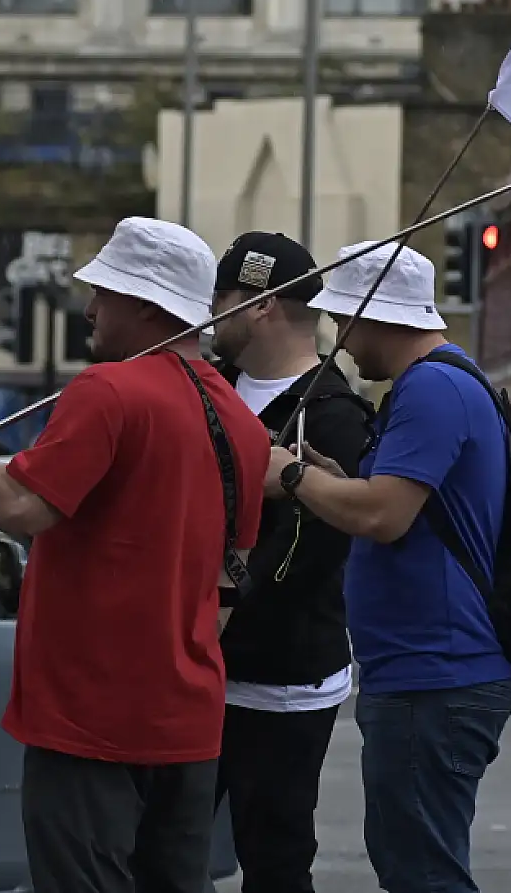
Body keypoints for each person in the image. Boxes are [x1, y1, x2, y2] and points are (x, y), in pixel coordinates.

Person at [0, 216, 271, 893]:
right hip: (188, 718)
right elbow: (230, 573)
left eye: (103, 292)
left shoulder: (107, 390)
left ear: (145, 304)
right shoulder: (242, 422)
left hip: (91, 719)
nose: (89, 309)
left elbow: (21, 505)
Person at [261, 242, 511, 893]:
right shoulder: (437, 383)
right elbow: (395, 504)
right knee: (413, 862)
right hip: (423, 671)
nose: (340, 341)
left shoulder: (431, 388)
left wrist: (291, 476)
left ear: (376, 315)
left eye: (343, 319)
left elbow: (384, 515)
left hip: (434, 672)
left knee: (422, 873)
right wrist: (331, 480)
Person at [207, 232, 373, 893]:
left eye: (221, 299)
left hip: (282, 678)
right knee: (161, 845)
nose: (209, 314)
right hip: (195, 668)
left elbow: (315, 549)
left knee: (273, 857)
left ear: (260, 304)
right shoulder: (209, 390)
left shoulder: (333, 416)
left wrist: (225, 608)